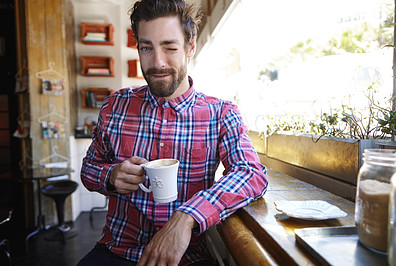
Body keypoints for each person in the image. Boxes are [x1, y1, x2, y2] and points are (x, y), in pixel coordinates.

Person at [77, 0, 269, 265]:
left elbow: (252, 175)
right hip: (117, 251)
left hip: (187, 257)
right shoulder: (116, 105)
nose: (157, 63)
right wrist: (111, 175)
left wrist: (187, 216)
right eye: (146, 48)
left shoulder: (221, 113)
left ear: (190, 48)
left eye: (170, 47)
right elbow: (88, 170)